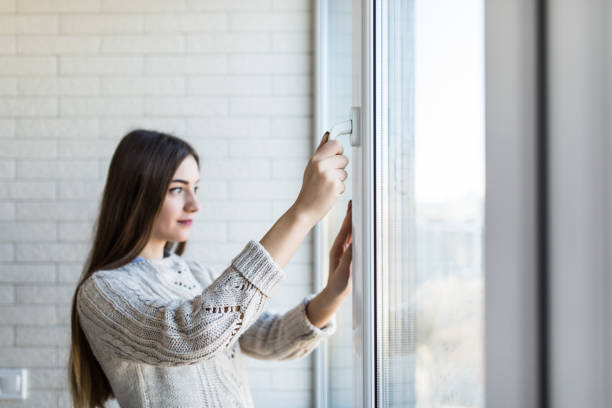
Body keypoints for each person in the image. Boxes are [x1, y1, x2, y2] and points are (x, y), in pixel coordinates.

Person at [67, 129, 353, 408]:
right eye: (177, 189)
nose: (195, 205)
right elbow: (191, 335)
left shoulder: (196, 274)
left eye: (195, 188)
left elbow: (268, 336)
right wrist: (301, 214)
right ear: (136, 194)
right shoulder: (101, 293)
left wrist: (334, 293)